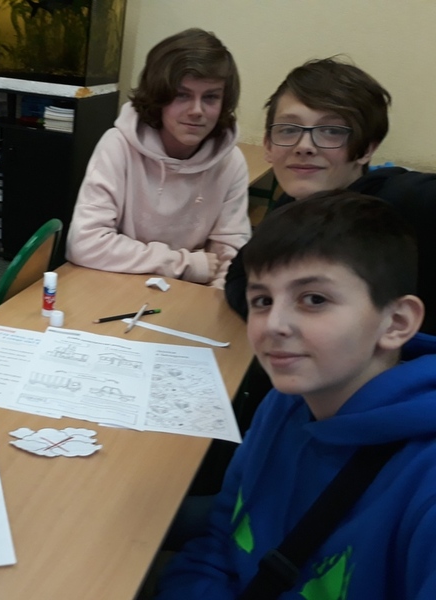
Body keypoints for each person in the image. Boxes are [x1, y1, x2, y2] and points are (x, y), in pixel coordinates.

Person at [157, 191, 436, 598]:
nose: (274, 324)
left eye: (314, 299)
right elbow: (219, 543)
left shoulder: (424, 484)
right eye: (262, 300)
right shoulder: (287, 399)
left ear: (396, 322)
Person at [226, 57, 436, 334]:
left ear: (366, 149)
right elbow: (240, 277)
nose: (304, 146)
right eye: (289, 129)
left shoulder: (402, 199)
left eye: (331, 131)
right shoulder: (294, 206)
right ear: (268, 145)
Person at [66, 28, 251, 288]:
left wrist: (214, 300)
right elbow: (84, 243)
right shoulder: (118, 146)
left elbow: (232, 257)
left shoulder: (231, 161)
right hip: (118, 284)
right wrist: (185, 264)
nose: (197, 110)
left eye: (211, 97)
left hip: (189, 294)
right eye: (182, 95)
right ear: (158, 96)